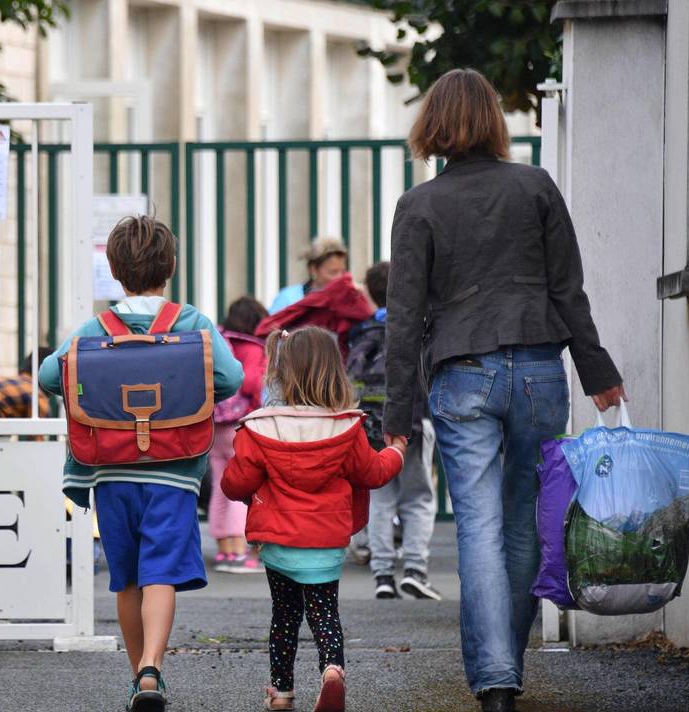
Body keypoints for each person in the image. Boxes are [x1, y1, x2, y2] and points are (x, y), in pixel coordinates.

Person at [383, 69, 626, 712]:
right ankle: (504, 666)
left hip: (463, 374)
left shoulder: (419, 207)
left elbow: (404, 319)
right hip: (542, 369)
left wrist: (397, 415)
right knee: (525, 526)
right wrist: (598, 374)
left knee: (479, 528)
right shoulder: (536, 187)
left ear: (432, 125)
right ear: (493, 121)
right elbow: (567, 292)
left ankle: (496, 682)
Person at [39, 215, 243, 712]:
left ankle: (139, 678)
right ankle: (153, 667)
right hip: (172, 470)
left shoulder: (96, 328)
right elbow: (232, 378)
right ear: (170, 266)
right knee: (161, 574)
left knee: (126, 577)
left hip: (110, 470)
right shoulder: (191, 322)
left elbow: (50, 374)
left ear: (113, 268)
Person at [221, 326, 405, 712]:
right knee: (325, 613)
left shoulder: (260, 427)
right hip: (326, 540)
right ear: (334, 371)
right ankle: (333, 669)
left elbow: (236, 485)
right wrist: (398, 451)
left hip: (279, 541)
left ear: (281, 372)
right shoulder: (347, 426)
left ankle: (281, 691)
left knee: (284, 617)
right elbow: (372, 473)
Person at [349, 262, 440, 601]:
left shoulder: (363, 334)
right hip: (415, 423)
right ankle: (415, 570)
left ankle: (383, 575)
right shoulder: (419, 326)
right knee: (418, 497)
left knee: (380, 499)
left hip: (371, 427)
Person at [210, 296, 269, 574]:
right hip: (238, 424)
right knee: (240, 486)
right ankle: (238, 549)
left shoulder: (219, 341)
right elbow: (252, 383)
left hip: (213, 422)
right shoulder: (252, 347)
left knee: (220, 486)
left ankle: (222, 548)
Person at [268, 237, 350, 314]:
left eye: (343, 272)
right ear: (313, 269)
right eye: (333, 272)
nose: (340, 277)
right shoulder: (288, 298)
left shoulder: (349, 300)